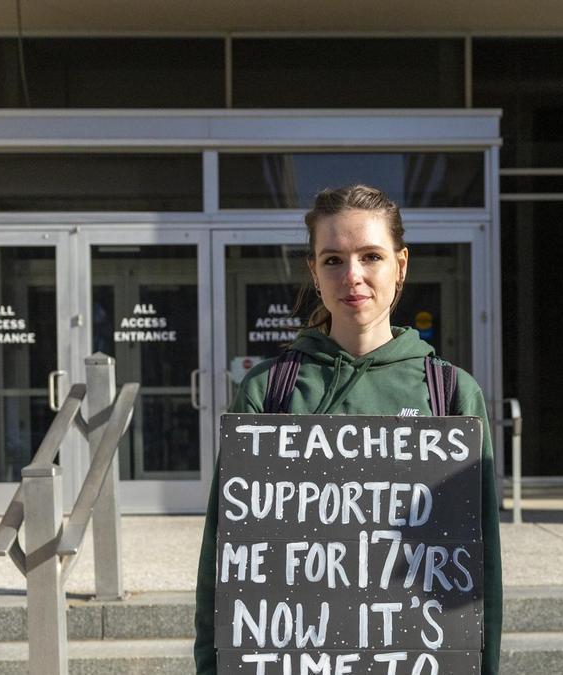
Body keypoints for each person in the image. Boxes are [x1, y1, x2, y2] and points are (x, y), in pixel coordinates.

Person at [193, 184, 503, 674]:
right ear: (313, 271)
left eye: (371, 256)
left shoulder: (450, 394)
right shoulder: (270, 390)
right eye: (333, 259)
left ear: (401, 266)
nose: (352, 276)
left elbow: (479, 566)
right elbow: (225, 554)